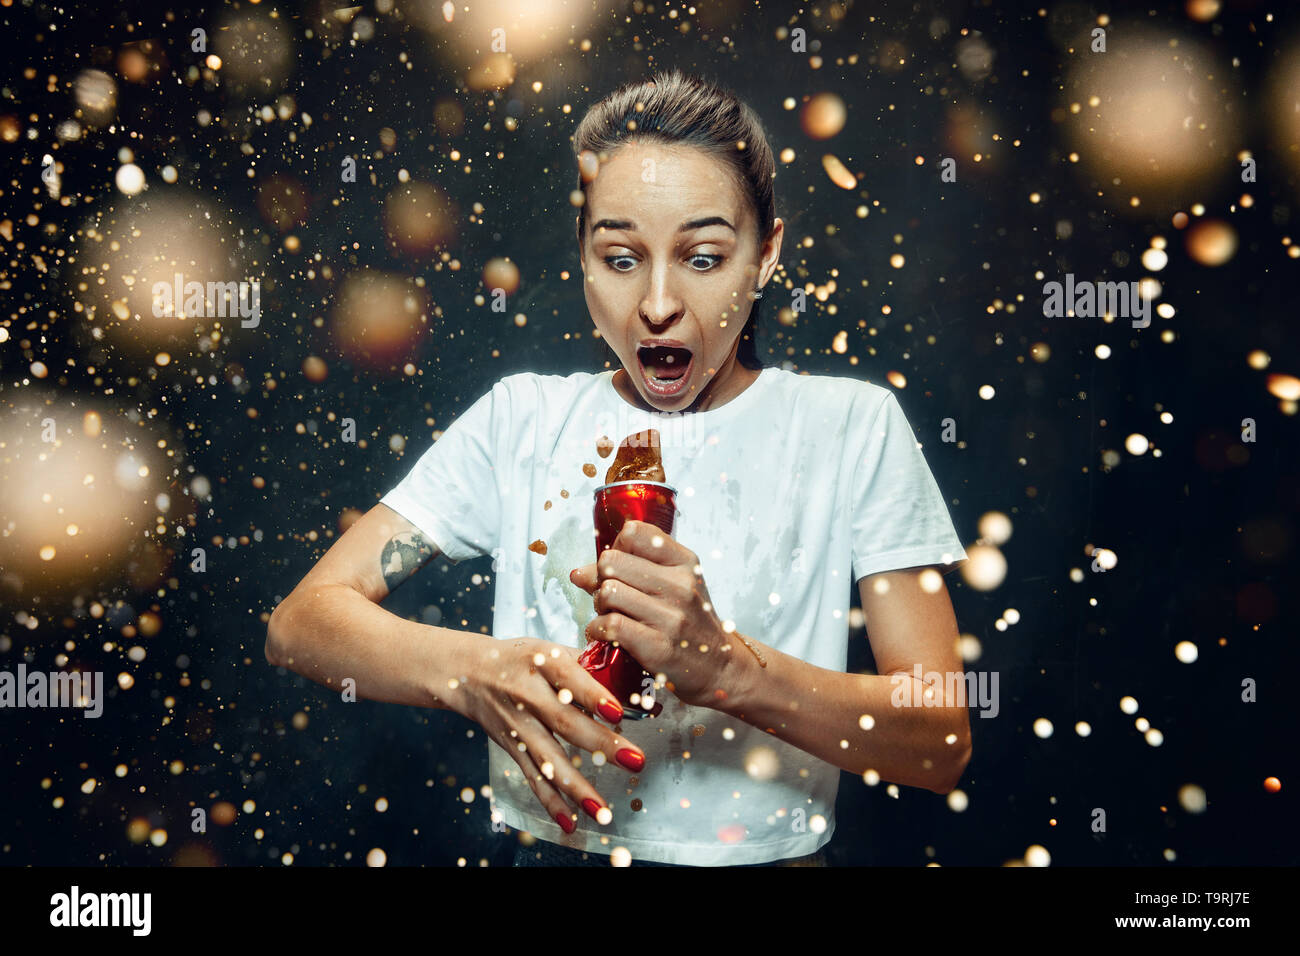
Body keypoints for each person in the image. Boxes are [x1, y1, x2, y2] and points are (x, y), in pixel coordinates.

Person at [266, 69, 971, 867]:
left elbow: (940, 738)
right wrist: (473, 670)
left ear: (766, 254)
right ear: (583, 257)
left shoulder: (850, 427)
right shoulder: (521, 420)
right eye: (621, 256)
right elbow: (301, 625)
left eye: (704, 257)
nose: (659, 303)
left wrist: (729, 671)